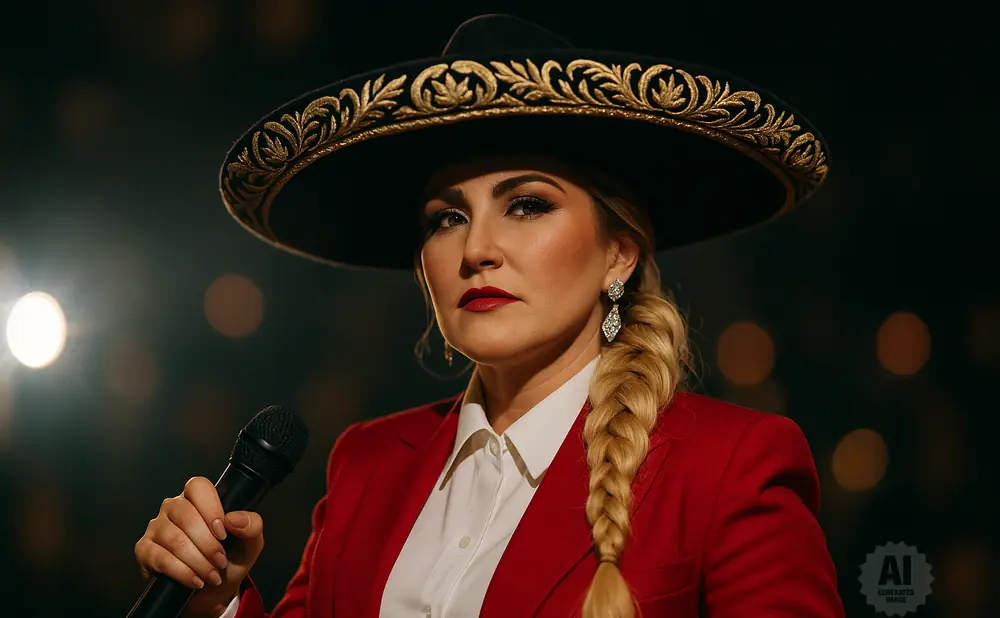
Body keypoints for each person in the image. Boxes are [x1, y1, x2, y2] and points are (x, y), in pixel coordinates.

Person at [133, 13, 843, 618]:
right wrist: (214, 599)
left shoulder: (728, 467)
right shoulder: (367, 465)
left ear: (618, 254)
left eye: (527, 204)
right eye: (446, 218)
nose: (477, 249)